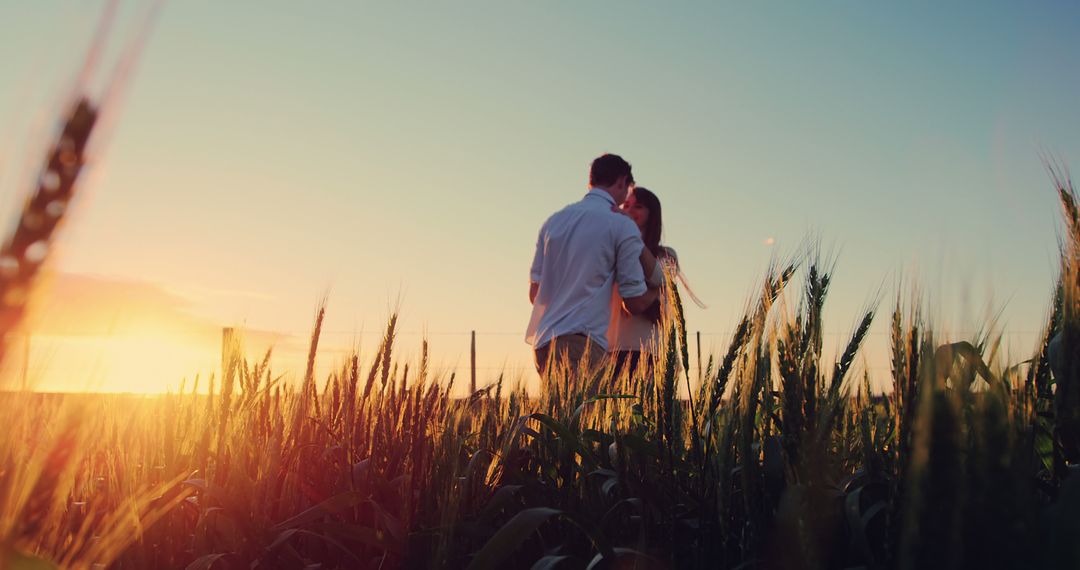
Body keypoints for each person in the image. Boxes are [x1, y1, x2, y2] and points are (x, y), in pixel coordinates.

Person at [526, 154, 660, 380]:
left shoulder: (553, 221)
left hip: (543, 344)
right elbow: (634, 301)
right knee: (585, 415)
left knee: (560, 416)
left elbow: (535, 294)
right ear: (622, 181)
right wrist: (658, 290)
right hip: (582, 345)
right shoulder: (620, 225)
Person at [608, 187, 678, 378]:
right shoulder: (614, 252)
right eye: (626, 205)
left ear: (652, 214)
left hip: (651, 351)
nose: (629, 211)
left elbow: (660, 278)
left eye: (638, 206)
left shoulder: (667, 255)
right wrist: (654, 292)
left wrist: (632, 236)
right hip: (612, 349)